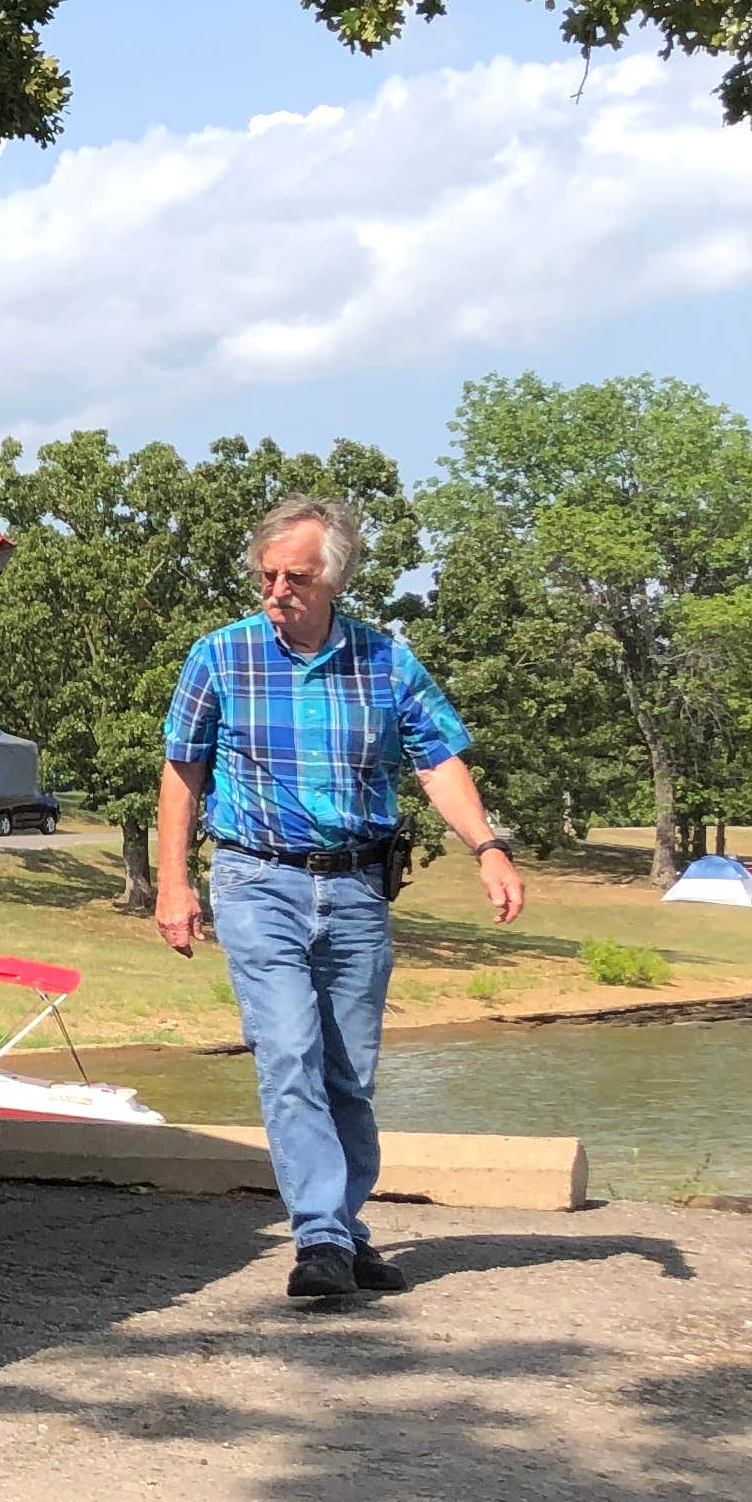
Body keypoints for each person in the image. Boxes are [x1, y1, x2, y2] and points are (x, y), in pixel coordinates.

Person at [153, 496, 525, 1303]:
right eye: (267, 576)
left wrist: (487, 848)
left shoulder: (386, 662)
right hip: (258, 879)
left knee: (349, 1075)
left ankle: (346, 1229)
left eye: (297, 577)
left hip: (357, 886)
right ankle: (319, 1236)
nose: (278, 590)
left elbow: (438, 761)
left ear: (335, 580)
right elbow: (181, 773)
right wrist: (174, 882)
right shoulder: (220, 657)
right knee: (288, 1053)